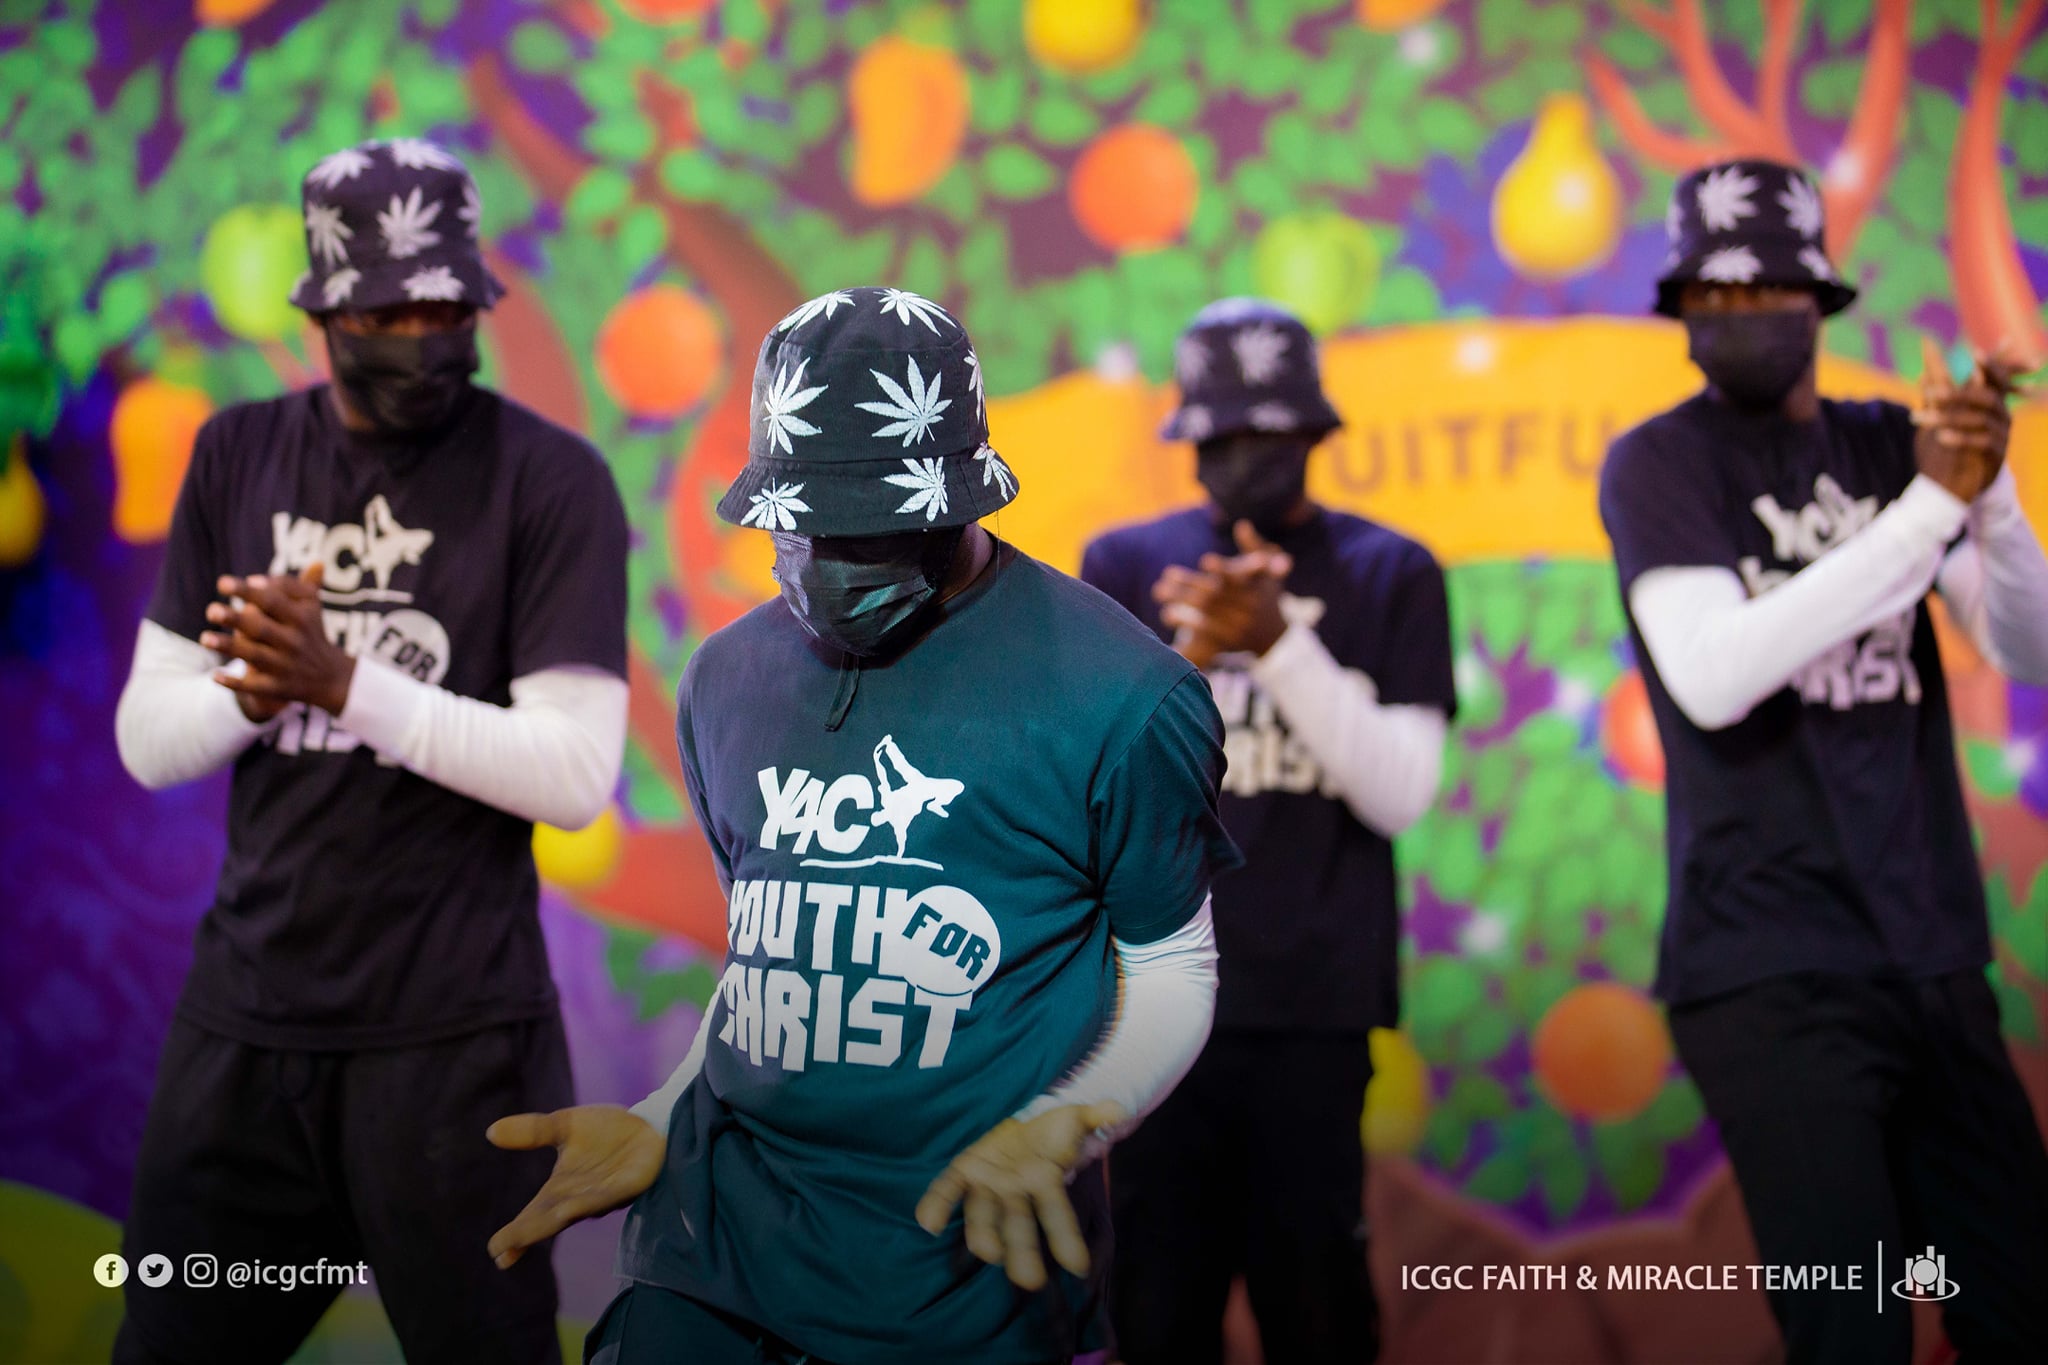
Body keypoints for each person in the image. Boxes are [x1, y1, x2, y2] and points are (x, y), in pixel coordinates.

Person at [483, 285, 1241, 1365]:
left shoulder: (1123, 695)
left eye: (878, 528)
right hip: (708, 1261)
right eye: (806, 523)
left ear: (960, 499)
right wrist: (664, 1114)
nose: (834, 558)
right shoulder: (722, 680)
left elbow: (1171, 963)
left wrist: (1072, 1121)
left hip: (960, 1287)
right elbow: (778, 949)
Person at [111, 137, 630, 1365]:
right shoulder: (235, 453)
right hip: (245, 1034)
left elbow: (573, 777)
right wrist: (254, 690)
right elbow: (146, 741)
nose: (419, 339)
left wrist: (342, 681)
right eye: (385, 315)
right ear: (322, 318)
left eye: (444, 312)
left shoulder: (551, 482)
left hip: (457, 1051)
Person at [1598, 158, 2048, 1364]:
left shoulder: (1887, 445)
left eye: (1764, 291)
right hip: (1766, 975)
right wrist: (1928, 510)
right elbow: (1713, 673)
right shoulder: (1656, 465)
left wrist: (1990, 499)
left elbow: (2028, 647)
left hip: (1932, 955)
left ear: (1816, 300)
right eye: (1711, 296)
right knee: (1850, 1327)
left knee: (2016, 1309)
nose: (1738, 315)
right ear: (1679, 310)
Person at [1081, 298, 1456, 1364]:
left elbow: (1399, 793)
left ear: (1315, 434)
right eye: (1226, 435)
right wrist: (1187, 665)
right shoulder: (1123, 568)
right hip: (1149, 1005)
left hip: (1313, 1011)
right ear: (1190, 440)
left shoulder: (1390, 572)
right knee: (1156, 1312)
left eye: (1271, 433)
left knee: (1317, 1311)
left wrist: (1281, 646)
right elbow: (1092, 793)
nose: (1247, 455)